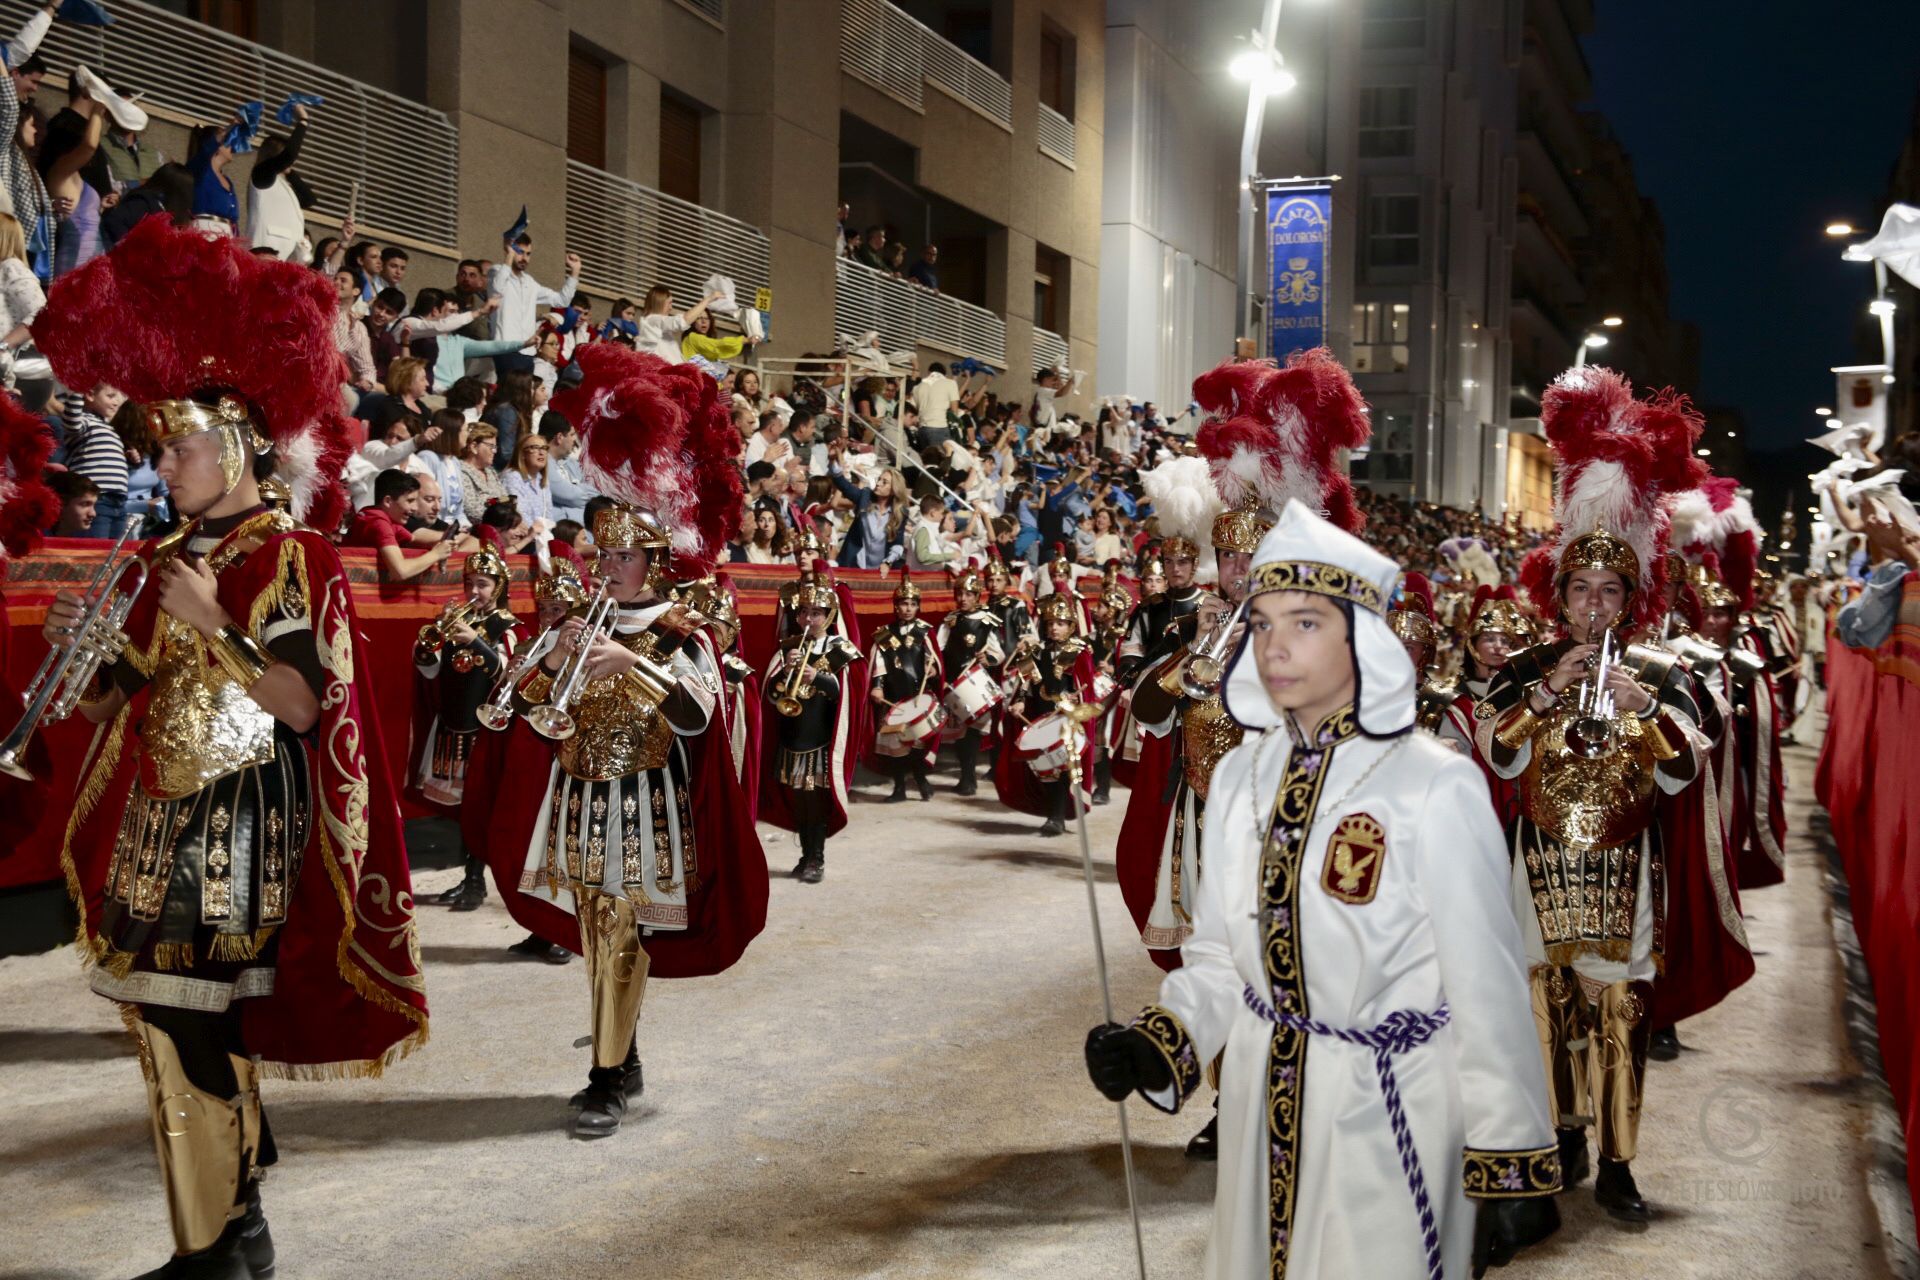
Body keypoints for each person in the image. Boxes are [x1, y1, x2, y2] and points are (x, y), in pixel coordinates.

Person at [35, 217, 427, 1277]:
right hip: (162, 818)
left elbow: (301, 703)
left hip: (243, 831)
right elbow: (121, 702)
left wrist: (218, 622)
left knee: (184, 1031)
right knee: (172, 1031)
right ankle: (234, 1228)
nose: (161, 464)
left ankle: (213, 1247)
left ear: (240, 445)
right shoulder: (171, 551)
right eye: (158, 447)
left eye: (178, 445)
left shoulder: (292, 553)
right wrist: (92, 655)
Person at [1085, 498, 1562, 1280]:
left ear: (1361, 640)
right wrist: (1158, 1044)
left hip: (1389, 1106)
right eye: (1262, 621)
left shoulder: (1433, 784)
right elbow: (1216, 958)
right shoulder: (1241, 775)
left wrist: (1508, 1150)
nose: (1273, 645)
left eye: (1304, 623)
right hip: (1260, 1102)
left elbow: (1487, 982)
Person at [479, 343, 767, 1137]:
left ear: (655, 562)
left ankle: (608, 1074)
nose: (605, 567)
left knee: (618, 930)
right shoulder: (581, 620)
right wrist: (547, 667)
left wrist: (627, 665)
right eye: (601, 553)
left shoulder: (680, 629)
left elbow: (700, 718)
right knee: (600, 930)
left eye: (622, 556)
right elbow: (534, 705)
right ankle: (620, 1053)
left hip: (645, 802)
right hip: (578, 793)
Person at [1476, 367, 1709, 1224]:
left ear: (1630, 599)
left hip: (1624, 873)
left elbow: (1686, 772)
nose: (1595, 604)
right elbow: (1491, 758)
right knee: (1544, 1003)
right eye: (1581, 591)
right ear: (1559, 597)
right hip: (1538, 866)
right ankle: (1559, 1134)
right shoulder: (1529, 669)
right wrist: (1540, 700)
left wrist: (1645, 710)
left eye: (1611, 592)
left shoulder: (1664, 674)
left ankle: (1618, 1159)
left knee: (1620, 1011)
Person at [413, 533, 522, 910]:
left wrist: (476, 641)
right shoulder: (452, 621)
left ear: (498, 587)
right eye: (469, 583)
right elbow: (431, 675)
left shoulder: (506, 626)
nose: (474, 590)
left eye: (483, 584)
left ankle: (476, 881)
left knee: (478, 805)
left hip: (483, 730)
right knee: (461, 808)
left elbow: (509, 674)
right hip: (451, 724)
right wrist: (426, 652)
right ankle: (468, 878)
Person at [761, 572, 863, 882]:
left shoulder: (840, 649)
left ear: (828, 615)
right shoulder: (788, 647)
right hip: (793, 738)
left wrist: (816, 678)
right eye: (803, 612)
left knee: (816, 801)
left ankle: (816, 857)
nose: (807, 618)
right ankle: (806, 855)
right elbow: (771, 694)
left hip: (820, 740)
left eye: (815, 613)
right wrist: (784, 673)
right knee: (799, 800)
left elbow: (847, 695)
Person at [997, 592, 1100, 837]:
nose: (1054, 628)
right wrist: (1020, 702)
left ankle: (1056, 817)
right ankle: (1053, 813)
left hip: (1067, 720)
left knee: (1062, 768)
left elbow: (1086, 688)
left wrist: (1077, 699)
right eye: (1051, 623)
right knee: (1046, 770)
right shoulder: (1037, 651)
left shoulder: (1080, 652)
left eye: (1061, 623)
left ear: (1071, 626)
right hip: (1041, 718)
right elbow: (1024, 684)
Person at [868, 568, 943, 802]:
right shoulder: (884, 635)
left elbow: (935, 659)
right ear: (895, 606)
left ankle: (921, 780)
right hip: (894, 698)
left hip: (918, 697)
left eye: (912, 603)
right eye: (903, 603)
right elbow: (879, 663)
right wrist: (878, 685)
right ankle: (899, 788)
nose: (908, 608)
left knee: (918, 744)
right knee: (897, 747)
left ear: (918, 606)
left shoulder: (925, 631)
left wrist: (934, 669)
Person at [937, 564, 1005, 796]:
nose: (962, 598)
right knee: (959, 734)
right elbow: (938, 650)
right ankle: (967, 777)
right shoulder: (951, 621)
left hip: (976, 682)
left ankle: (969, 778)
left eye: (968, 594)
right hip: (954, 682)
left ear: (977, 596)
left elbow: (999, 653)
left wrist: (988, 659)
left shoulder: (987, 621)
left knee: (972, 732)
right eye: (959, 594)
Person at [488, 227, 579, 375]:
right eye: (520, 252)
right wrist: (510, 255)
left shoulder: (530, 282)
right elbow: (497, 289)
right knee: (510, 394)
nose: (524, 258)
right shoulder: (497, 271)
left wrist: (574, 272)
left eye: (528, 254)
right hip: (506, 348)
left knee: (524, 397)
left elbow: (561, 301)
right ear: (509, 250)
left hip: (528, 351)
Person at [346, 468, 455, 581]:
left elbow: (414, 538)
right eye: (410, 501)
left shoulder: (384, 519)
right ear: (388, 501)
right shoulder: (378, 523)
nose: (414, 508)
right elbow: (400, 571)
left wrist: (447, 542)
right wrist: (436, 554)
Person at [245, 101, 314, 261]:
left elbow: (309, 199)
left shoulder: (283, 183)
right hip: (265, 250)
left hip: (287, 255)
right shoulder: (262, 175)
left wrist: (291, 173)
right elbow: (290, 154)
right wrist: (303, 121)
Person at [60, 383, 129, 537]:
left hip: (118, 501)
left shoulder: (109, 428)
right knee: (93, 549)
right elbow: (71, 421)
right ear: (90, 395)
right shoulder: (85, 421)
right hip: (96, 499)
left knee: (115, 553)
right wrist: (78, 389)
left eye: (118, 396)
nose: (116, 401)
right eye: (110, 396)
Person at [633, 283, 724, 363]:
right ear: (660, 303)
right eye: (669, 303)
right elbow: (682, 321)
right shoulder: (652, 320)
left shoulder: (657, 326)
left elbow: (673, 359)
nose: (671, 308)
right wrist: (708, 299)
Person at [501, 431, 554, 526]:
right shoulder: (513, 477)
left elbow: (549, 516)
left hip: (541, 535)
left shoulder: (542, 480)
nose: (541, 452)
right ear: (522, 454)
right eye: (535, 448)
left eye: (544, 448)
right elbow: (520, 515)